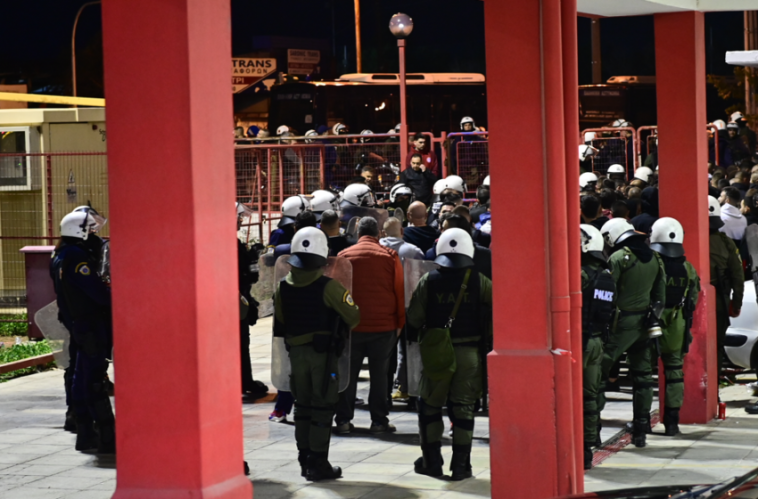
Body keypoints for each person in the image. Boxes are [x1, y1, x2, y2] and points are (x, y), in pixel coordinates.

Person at [273, 227, 360, 481]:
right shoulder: (329, 287)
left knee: (302, 407)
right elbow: (354, 317)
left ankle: (304, 460)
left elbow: (281, 322)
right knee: (322, 407)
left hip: (296, 355)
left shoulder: (282, 287)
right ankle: (318, 463)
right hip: (322, 357)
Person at [407, 228, 492, 481]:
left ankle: (431, 462)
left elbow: (414, 318)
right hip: (470, 354)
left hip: (437, 353)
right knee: (463, 408)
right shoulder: (480, 281)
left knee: (430, 406)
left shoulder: (429, 280)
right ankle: (461, 466)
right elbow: (496, 315)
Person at [51, 211, 115, 454]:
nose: (94, 234)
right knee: (93, 379)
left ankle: (86, 431)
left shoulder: (60, 254)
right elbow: (96, 293)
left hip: (77, 323)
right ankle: (103, 434)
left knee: (81, 376)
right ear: (79, 230)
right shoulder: (77, 257)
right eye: (91, 230)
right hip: (89, 324)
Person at [599, 218, 666, 448]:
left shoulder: (618, 258)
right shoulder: (655, 257)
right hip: (646, 323)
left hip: (620, 324)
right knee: (643, 377)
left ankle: (592, 428)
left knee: (598, 371)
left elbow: (609, 292)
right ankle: (641, 428)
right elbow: (660, 296)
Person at [336, 217, 405, 434]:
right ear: (379, 234)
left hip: (352, 328)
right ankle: (378, 422)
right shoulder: (390, 256)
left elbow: (337, 294)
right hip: (384, 327)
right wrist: (400, 322)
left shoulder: (344, 256)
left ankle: (343, 420)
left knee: (348, 375)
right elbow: (399, 291)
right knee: (380, 376)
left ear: (358, 234)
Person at [649, 217, 700, 436]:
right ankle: (672, 423)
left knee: (642, 373)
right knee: (674, 372)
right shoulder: (688, 268)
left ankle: (641, 423)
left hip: (650, 322)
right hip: (677, 324)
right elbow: (693, 298)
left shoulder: (652, 265)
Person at [579, 224, 616, 469]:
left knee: (574, 397)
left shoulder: (578, 275)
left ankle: (579, 446)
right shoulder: (607, 277)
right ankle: (588, 446)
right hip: (597, 342)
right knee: (590, 396)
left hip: (579, 343)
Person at [708, 195, 744, 382]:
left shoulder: (686, 239)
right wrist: (736, 304)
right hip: (718, 301)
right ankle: (712, 386)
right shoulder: (725, 242)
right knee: (716, 345)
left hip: (688, 301)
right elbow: (737, 276)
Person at [237, 204, 268, 399]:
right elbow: (250, 275)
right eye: (238, 217)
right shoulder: (235, 245)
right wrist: (253, 257)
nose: (240, 220)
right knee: (242, 342)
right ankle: (245, 381)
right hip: (237, 299)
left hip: (232, 298)